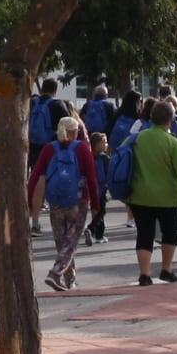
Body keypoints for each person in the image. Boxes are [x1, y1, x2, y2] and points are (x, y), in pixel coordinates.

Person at [126, 98, 177, 286]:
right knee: (169, 233)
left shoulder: (135, 139)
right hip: (168, 198)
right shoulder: (174, 143)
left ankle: (144, 274)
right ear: (171, 121)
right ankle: (166, 269)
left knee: (144, 234)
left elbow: (121, 159)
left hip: (139, 196)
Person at [30, 114, 99, 293]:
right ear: (75, 132)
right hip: (79, 201)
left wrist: (30, 199)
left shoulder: (48, 149)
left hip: (55, 202)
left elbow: (35, 174)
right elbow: (92, 178)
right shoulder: (82, 149)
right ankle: (56, 272)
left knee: (62, 241)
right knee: (72, 241)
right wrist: (96, 204)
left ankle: (70, 279)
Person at [79, 84, 116, 242]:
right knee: (101, 206)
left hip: (92, 142)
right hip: (102, 140)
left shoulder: (87, 105)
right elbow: (112, 123)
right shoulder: (109, 106)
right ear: (106, 95)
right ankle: (96, 231)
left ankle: (94, 231)